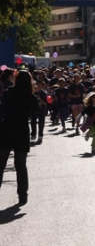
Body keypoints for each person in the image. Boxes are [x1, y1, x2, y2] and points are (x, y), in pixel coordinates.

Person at [0, 70, 39, 205]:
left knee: (1, 164)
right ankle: (22, 195)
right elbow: (36, 112)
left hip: (6, 129)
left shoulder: (7, 93)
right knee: (21, 165)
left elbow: (1, 110)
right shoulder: (30, 97)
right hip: (21, 130)